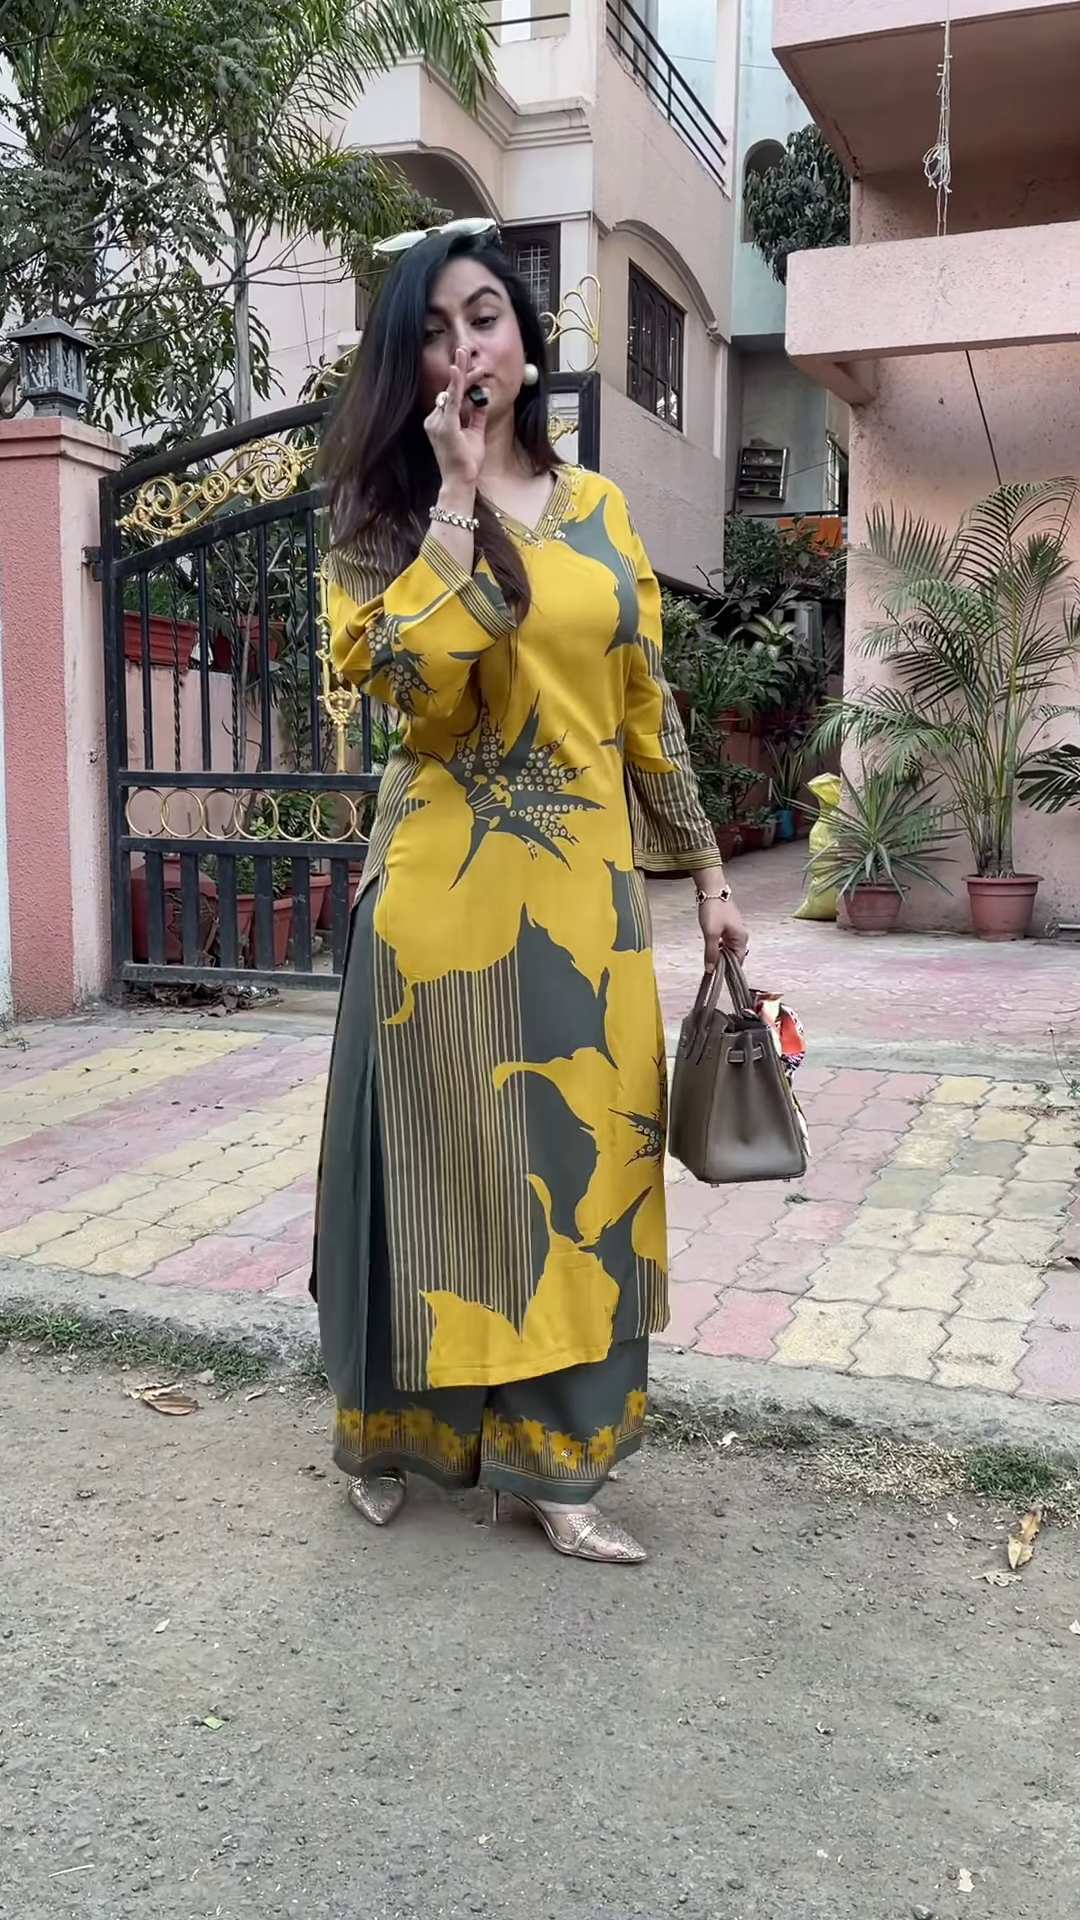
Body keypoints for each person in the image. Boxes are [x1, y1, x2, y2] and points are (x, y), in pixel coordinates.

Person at [313, 219, 749, 1565]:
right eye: (435, 333)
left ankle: (553, 1468)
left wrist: (709, 878)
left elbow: (644, 709)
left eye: (486, 318)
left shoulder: (601, 511)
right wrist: (454, 501)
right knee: (439, 1174)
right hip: (438, 905)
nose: (466, 351)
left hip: (581, 906)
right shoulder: (376, 527)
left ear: (525, 338)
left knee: (578, 1163)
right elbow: (410, 693)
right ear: (408, 365)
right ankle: (399, 1434)